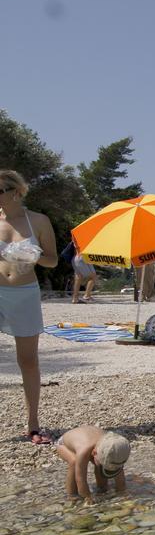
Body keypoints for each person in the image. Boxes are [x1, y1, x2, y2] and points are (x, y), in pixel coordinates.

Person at [1, 170, 58, 445]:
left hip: (24, 293)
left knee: (28, 360)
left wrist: (34, 257)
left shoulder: (38, 221)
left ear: (14, 192)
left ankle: (33, 423)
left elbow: (53, 261)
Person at [56, 425, 130, 505]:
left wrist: (122, 491)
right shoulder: (83, 451)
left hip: (90, 438)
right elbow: (80, 479)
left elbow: (119, 472)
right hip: (63, 443)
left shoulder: (114, 446)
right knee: (74, 462)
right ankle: (72, 495)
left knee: (101, 464)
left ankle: (102, 488)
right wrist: (87, 497)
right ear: (94, 453)